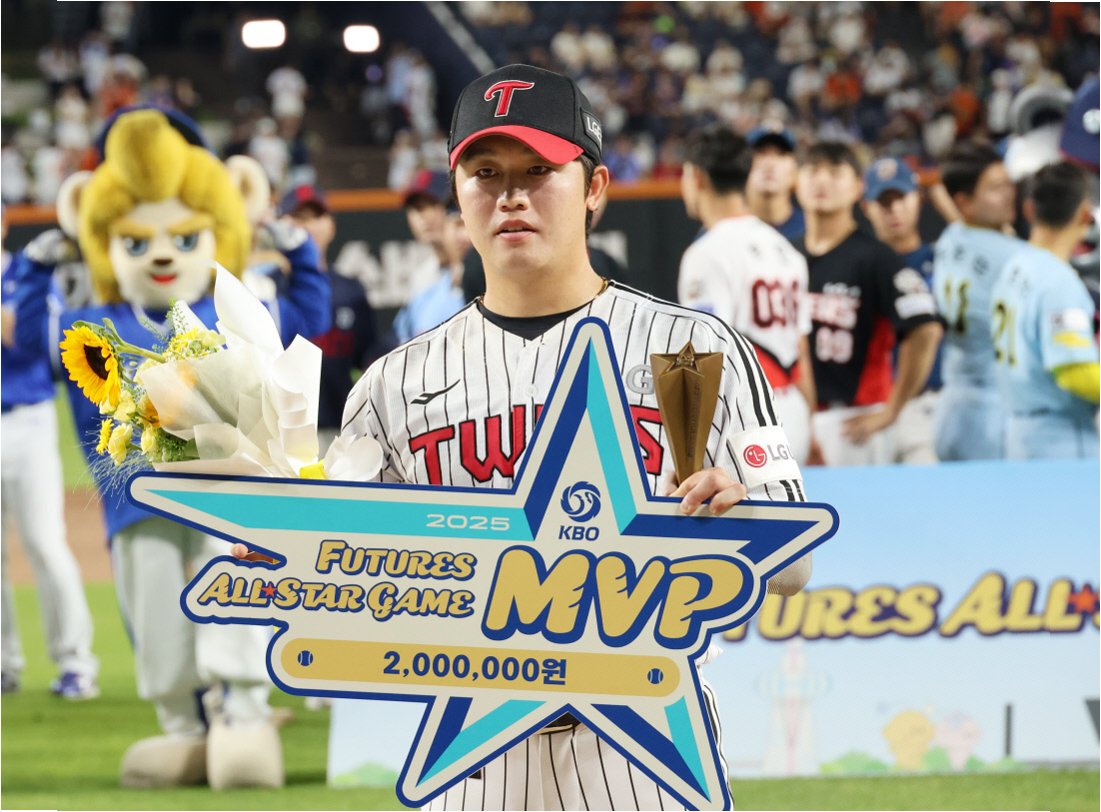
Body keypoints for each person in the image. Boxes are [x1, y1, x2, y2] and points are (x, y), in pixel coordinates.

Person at [336, 64, 811, 811]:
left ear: (594, 188)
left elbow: (794, 563)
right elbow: (344, 577)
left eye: (538, 170)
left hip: (647, 740)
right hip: (475, 752)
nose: (510, 195)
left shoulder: (693, 347)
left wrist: (740, 514)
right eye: (485, 173)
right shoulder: (392, 384)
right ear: (456, 193)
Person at [1, 206, 100, 699]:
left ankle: (76, 663)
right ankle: (5, 665)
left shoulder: (28, 272)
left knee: (45, 542)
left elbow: (35, 342)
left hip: (27, 422)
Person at [795, 141, 943, 467]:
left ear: (857, 187)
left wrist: (893, 409)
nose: (822, 181)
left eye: (835, 172)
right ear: (797, 181)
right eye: (813, 170)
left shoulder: (877, 258)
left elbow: (926, 328)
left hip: (855, 421)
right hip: (794, 414)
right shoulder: (786, 255)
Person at [678, 124, 814, 465]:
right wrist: (809, 422)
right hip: (793, 410)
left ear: (697, 178)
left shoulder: (707, 252)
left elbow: (706, 359)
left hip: (746, 419)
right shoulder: (785, 249)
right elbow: (800, 350)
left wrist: (688, 453)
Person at [991, 162, 1099, 458]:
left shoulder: (1013, 265)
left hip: (1018, 429)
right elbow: (1075, 372)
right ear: (1085, 215)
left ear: (1028, 209)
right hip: (1059, 437)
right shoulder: (1058, 282)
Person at [931, 142, 1022, 461]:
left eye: (1008, 184)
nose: (1009, 194)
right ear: (964, 202)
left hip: (951, 404)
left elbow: (959, 217)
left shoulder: (950, 237)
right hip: (996, 412)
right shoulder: (1017, 257)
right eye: (996, 188)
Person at [278, 184, 387, 452]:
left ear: (331, 226)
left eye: (316, 216)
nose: (308, 226)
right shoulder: (268, 289)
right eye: (299, 217)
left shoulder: (351, 290)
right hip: (280, 431)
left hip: (341, 428)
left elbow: (368, 360)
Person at [861, 157, 945, 463]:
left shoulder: (943, 259)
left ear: (918, 198)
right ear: (866, 207)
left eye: (901, 198)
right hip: (870, 407)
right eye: (884, 202)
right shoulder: (857, 264)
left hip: (928, 403)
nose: (894, 209)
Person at [391, 169, 468, 344]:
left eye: (433, 205)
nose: (424, 216)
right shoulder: (422, 276)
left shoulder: (481, 269)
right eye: (417, 208)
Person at [745, 124, 804, 242]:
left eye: (780, 154)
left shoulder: (811, 230)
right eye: (761, 153)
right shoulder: (723, 230)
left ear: (794, 172)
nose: (770, 163)